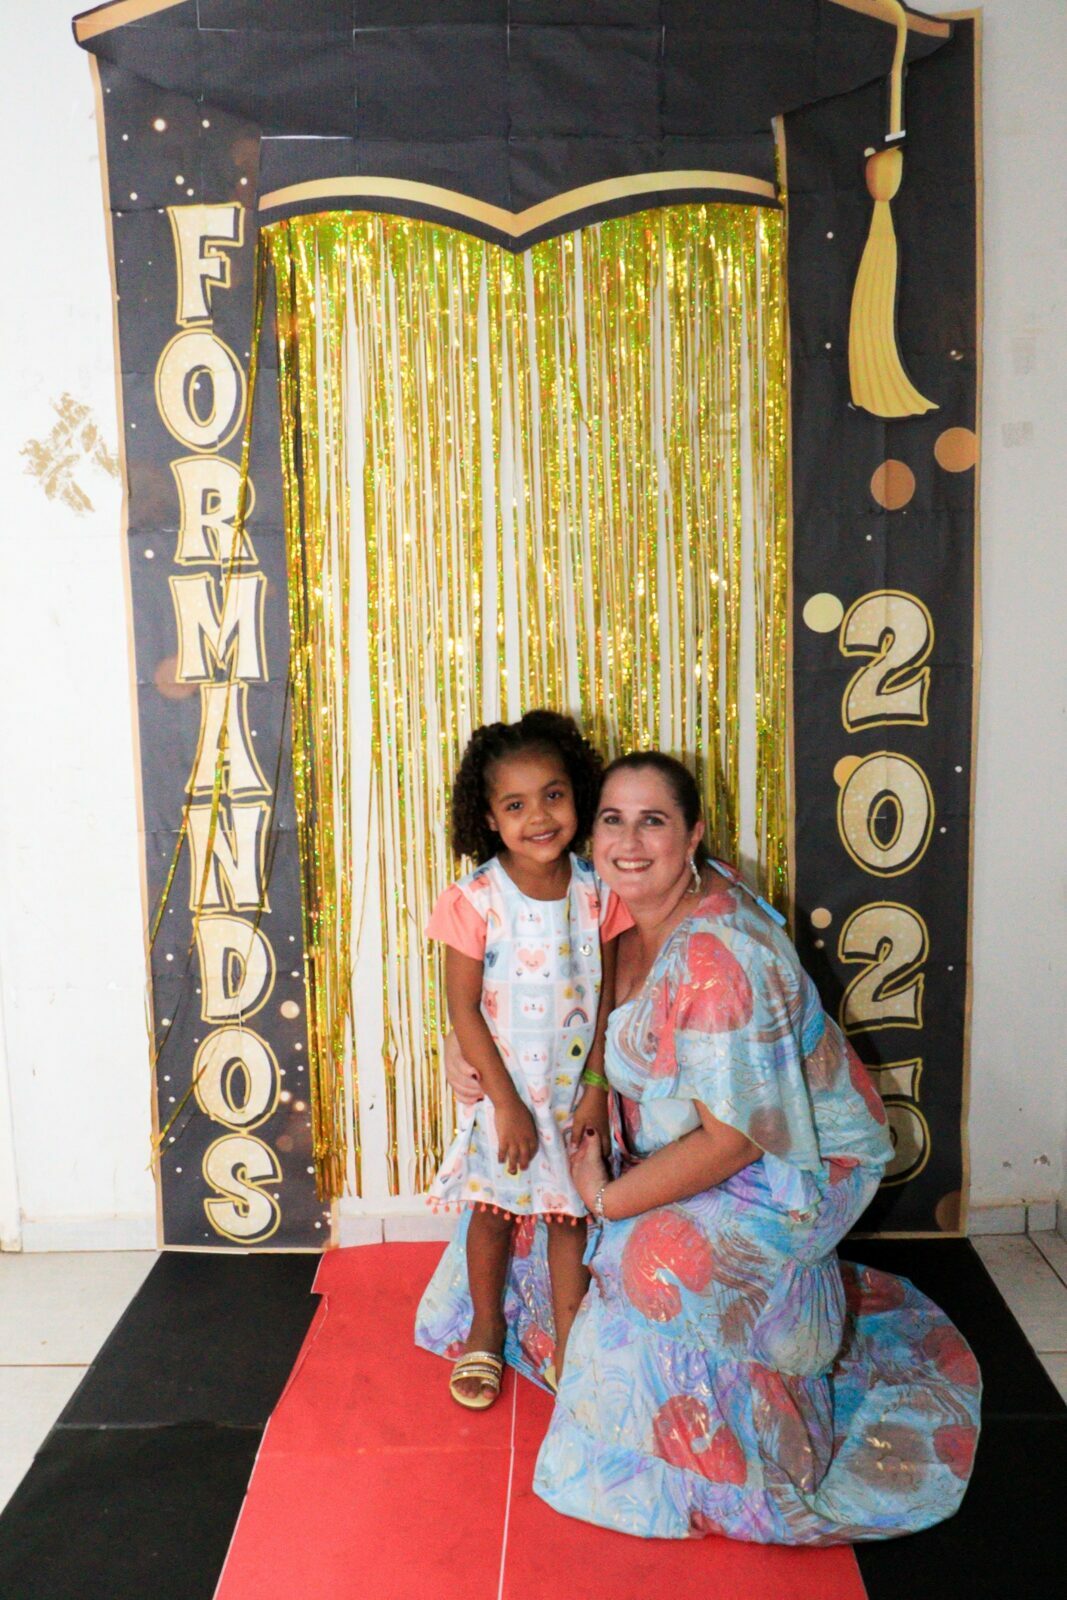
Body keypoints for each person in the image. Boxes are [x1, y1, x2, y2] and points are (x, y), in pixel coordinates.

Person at [436, 751, 981, 1543]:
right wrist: (463, 1051)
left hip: (783, 1170)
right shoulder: (609, 901)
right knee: (523, 1217)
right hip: (692, 1139)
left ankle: (703, 1451)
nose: (628, 841)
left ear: (692, 835)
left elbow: (735, 1143)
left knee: (640, 1256)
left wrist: (607, 1198)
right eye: (612, 819)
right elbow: (547, 999)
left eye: (652, 821)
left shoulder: (719, 956)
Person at [415, 710, 629, 1409]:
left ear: (578, 795)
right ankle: (485, 1328)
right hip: (505, 1094)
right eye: (515, 805)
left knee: (569, 1216)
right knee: (493, 1211)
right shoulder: (476, 900)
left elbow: (608, 998)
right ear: (489, 818)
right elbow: (463, 1008)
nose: (538, 817)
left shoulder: (598, 892)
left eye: (553, 795)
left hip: (573, 1092)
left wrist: (595, 1088)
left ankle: (569, 1346)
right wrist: (505, 1105)